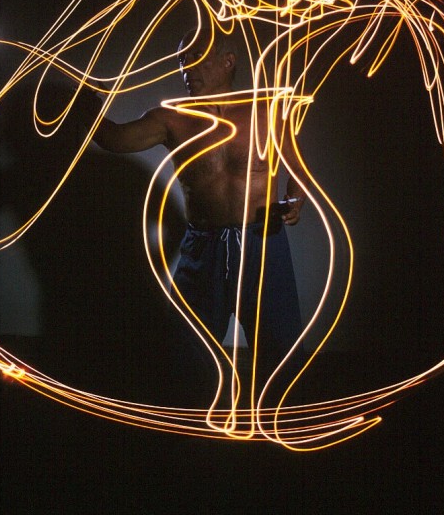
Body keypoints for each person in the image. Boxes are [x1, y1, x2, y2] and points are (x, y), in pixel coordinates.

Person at [83, 26, 307, 396]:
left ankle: (275, 435)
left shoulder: (267, 112)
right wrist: (86, 106)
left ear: (228, 61)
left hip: (262, 243)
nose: (187, 69)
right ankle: (190, 435)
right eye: (182, 61)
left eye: (195, 58)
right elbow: (115, 138)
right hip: (203, 247)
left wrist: (294, 202)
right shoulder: (171, 120)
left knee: (281, 354)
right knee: (185, 354)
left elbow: (297, 169)